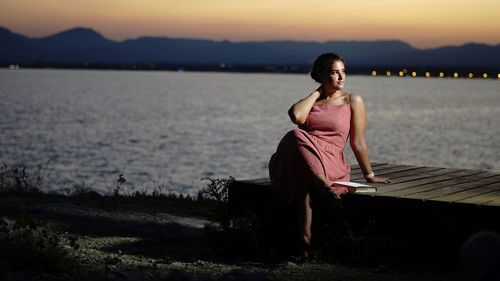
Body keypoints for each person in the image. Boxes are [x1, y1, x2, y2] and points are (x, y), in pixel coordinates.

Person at [268, 52, 391, 257]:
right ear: (322, 74)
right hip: (307, 159)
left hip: (332, 162)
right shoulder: (312, 103)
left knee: (301, 167)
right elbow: (297, 117)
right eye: (335, 72)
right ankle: (305, 240)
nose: (341, 77)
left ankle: (305, 236)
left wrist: (369, 175)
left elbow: (358, 141)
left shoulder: (352, 100)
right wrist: (317, 93)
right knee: (295, 136)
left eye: (343, 71)